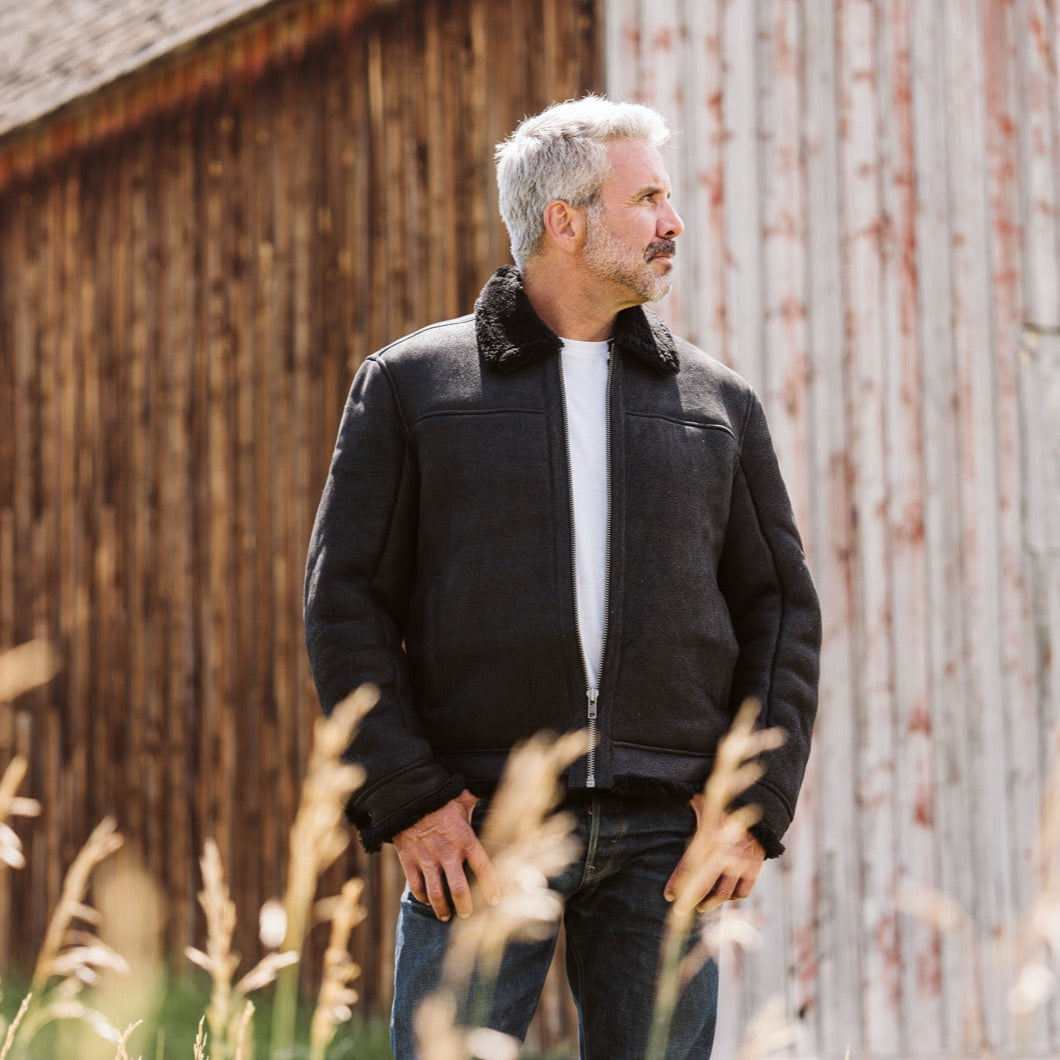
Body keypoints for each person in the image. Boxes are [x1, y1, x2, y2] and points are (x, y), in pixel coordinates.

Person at [304, 95, 821, 1059]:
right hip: (481, 829)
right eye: (650, 199)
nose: (674, 223)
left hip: (668, 839)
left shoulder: (716, 403)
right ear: (566, 220)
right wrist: (409, 797)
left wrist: (752, 805)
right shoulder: (414, 386)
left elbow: (781, 610)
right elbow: (345, 601)